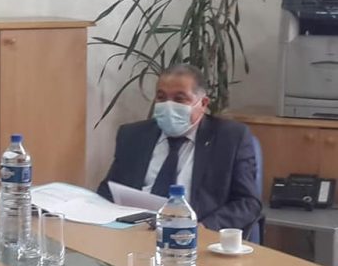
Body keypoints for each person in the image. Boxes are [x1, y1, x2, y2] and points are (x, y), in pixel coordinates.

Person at [97, 64, 261, 233]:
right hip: (135, 232)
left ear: (203, 103)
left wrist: (204, 228)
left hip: (193, 236)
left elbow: (248, 203)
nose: (168, 106)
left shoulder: (229, 138)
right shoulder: (133, 136)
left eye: (179, 99)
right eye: (161, 97)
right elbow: (107, 191)